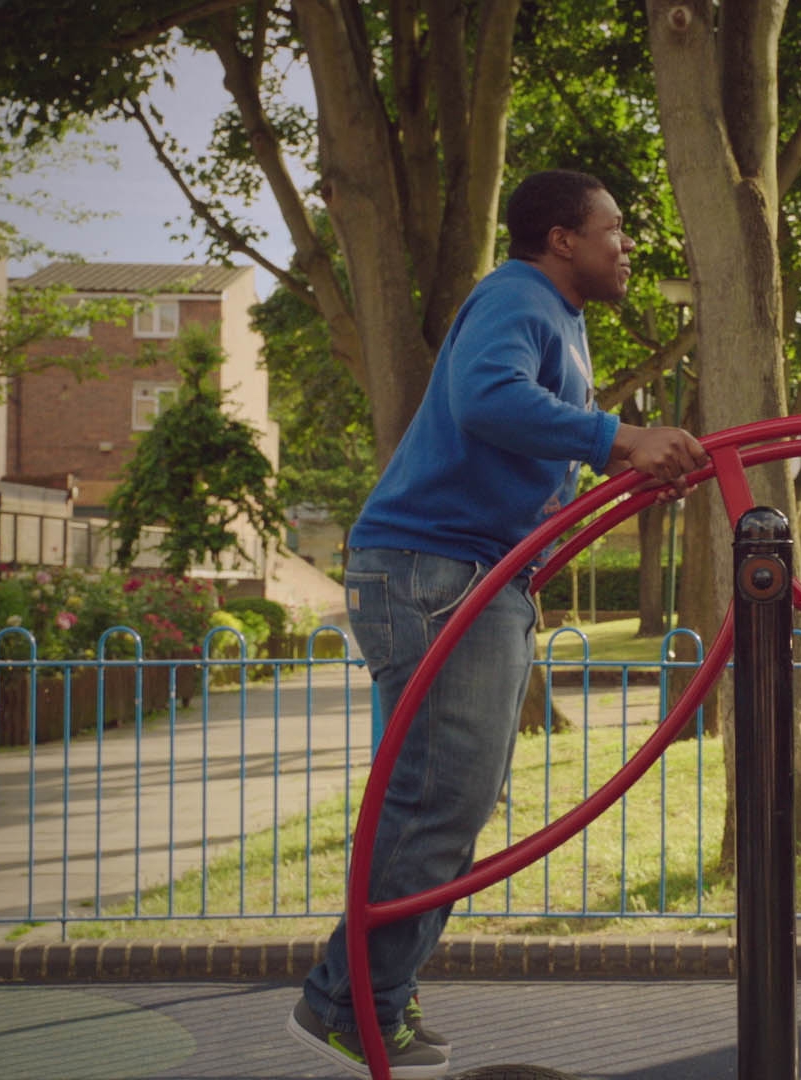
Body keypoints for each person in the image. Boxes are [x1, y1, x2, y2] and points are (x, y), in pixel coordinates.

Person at [286, 169, 708, 1079]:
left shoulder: (556, 318)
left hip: (462, 570)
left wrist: (608, 460)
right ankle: (350, 1002)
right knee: (438, 802)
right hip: (434, 569)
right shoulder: (518, 295)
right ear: (561, 239)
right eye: (614, 230)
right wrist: (617, 437)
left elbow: (518, 440)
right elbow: (487, 399)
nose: (625, 245)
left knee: (450, 802)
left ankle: (366, 1000)